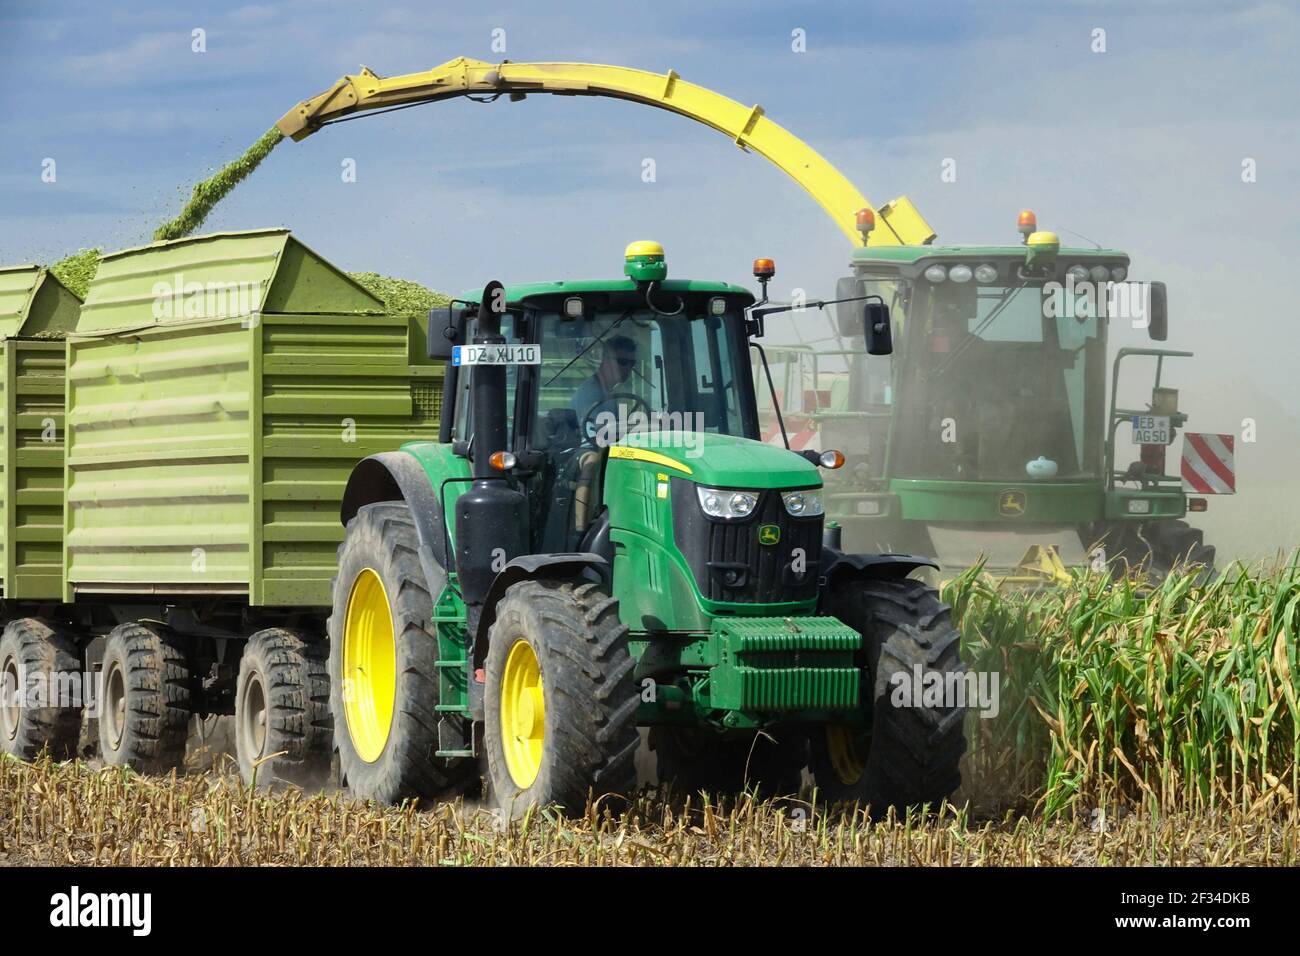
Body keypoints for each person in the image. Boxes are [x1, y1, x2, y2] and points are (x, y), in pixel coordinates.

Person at [572, 335, 638, 420]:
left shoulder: (609, 392)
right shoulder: (590, 393)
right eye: (622, 362)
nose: (628, 368)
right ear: (605, 359)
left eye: (632, 363)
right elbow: (596, 431)